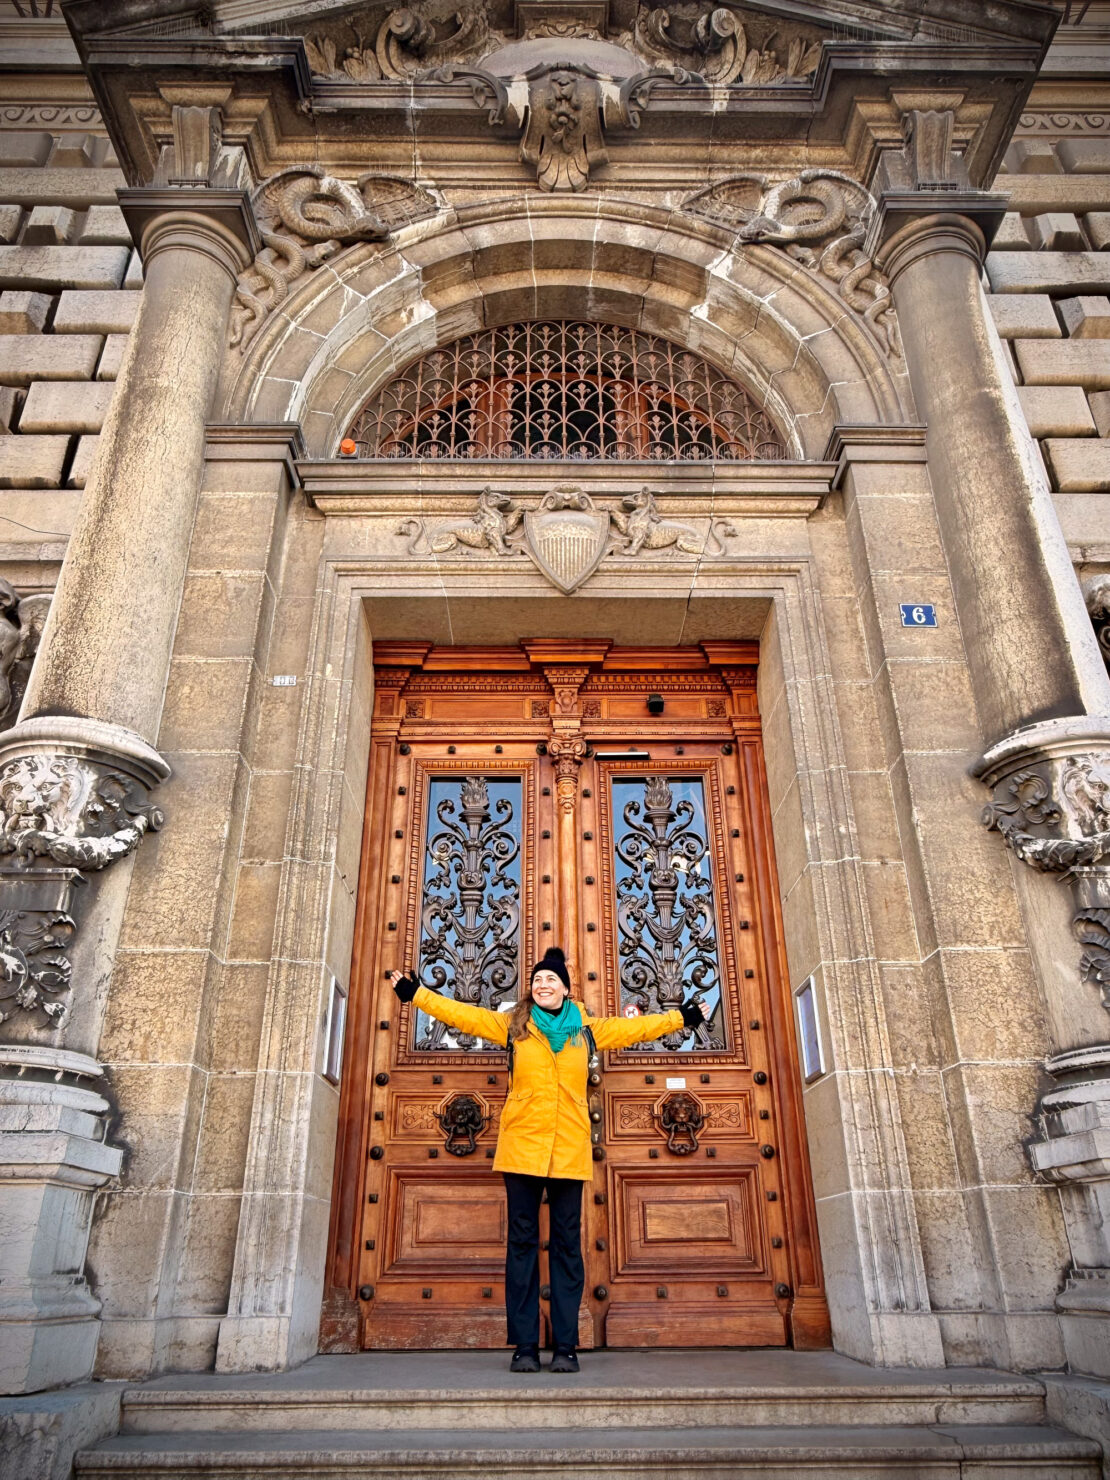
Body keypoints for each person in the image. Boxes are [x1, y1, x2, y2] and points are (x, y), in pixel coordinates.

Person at [389, 946, 708, 1373]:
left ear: (565, 990)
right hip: (522, 1147)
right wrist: (416, 994)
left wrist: (682, 1018)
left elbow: (636, 1030)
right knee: (521, 1245)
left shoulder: (587, 1030)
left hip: (569, 1150)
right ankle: (523, 1345)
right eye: (538, 980)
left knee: (565, 1247)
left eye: (551, 980)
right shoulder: (512, 1027)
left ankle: (565, 1346)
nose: (543, 985)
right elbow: (461, 1015)